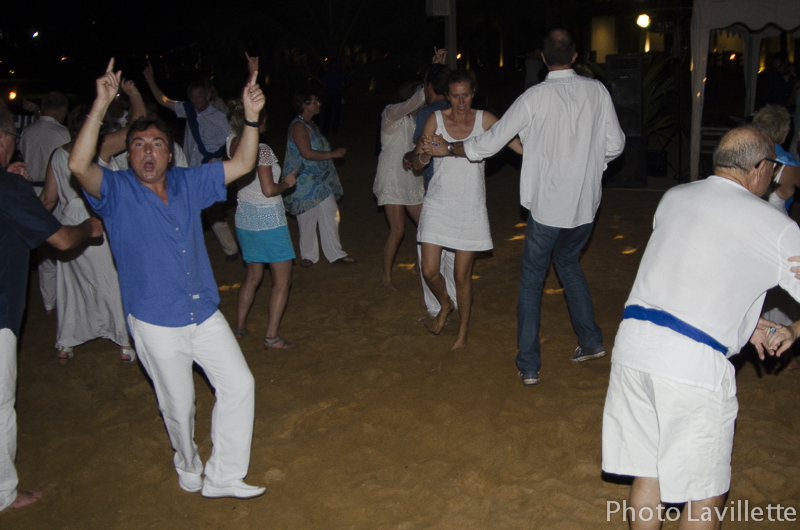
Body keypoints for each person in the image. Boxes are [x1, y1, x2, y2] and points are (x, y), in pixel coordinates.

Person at [69, 58, 266, 499]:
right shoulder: (117, 191)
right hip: (156, 320)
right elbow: (79, 166)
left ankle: (224, 476)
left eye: (156, 144)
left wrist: (252, 118)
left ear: (169, 154)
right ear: (129, 154)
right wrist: (101, 104)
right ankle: (188, 462)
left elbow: (242, 162)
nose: (148, 153)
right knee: (179, 407)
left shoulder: (187, 182)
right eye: (138, 145)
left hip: (203, 311)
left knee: (240, 384)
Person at [601, 126, 800, 530]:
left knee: (650, 471)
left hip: (634, 348)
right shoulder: (778, 226)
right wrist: (794, 330)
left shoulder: (674, 197)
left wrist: (746, 324)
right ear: (760, 169)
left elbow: (695, 269)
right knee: (705, 492)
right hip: (691, 366)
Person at [425, 29, 624, 382]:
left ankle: (529, 365)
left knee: (532, 279)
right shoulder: (597, 92)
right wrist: (588, 166)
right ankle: (591, 341)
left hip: (548, 207)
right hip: (584, 206)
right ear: (575, 56)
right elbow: (616, 145)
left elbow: (489, 143)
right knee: (569, 264)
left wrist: (451, 148)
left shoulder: (534, 97)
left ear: (543, 59)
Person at [0, 108, 104, 512]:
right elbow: (60, 240)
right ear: (4, 139)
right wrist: (89, 228)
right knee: (1, 407)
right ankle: (4, 492)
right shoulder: (8, 188)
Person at [39, 77, 145, 362]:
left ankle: (66, 343)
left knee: (73, 287)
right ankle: (124, 342)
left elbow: (48, 199)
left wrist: (35, 227)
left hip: (67, 224)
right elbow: (137, 126)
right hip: (95, 219)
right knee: (111, 280)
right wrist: (134, 94)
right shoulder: (101, 147)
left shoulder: (58, 155)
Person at [416, 69, 523, 350]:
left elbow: (517, 145)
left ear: (473, 94)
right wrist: (426, 153)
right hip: (438, 203)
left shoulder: (485, 120)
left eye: (466, 95)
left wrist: (547, 152)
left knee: (461, 275)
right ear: (447, 96)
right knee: (429, 270)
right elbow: (416, 161)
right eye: (455, 96)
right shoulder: (435, 119)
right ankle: (445, 303)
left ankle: (463, 330)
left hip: (470, 206)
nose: (461, 102)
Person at [143, 60, 240, 261]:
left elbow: (234, 140)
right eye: (193, 96)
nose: (196, 99)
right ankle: (186, 250)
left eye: (199, 95)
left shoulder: (220, 117)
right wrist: (151, 81)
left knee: (212, 209)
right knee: (187, 209)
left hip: (210, 167)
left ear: (208, 95)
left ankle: (230, 250)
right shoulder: (188, 110)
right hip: (190, 168)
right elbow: (163, 100)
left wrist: (226, 162)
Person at [226, 96, 298, 349]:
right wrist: (286, 183)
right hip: (269, 221)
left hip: (244, 218)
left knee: (252, 275)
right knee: (282, 281)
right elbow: (268, 189)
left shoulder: (232, 142)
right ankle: (271, 336)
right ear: (260, 120)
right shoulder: (261, 149)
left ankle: (240, 327)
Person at [401, 49, 459, 320]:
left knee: (429, 248)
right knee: (453, 249)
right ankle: (456, 300)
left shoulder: (428, 114)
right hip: (460, 187)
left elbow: (419, 153)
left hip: (437, 189)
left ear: (429, 87)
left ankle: (437, 306)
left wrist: (409, 156)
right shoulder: (458, 111)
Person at [283, 90, 354, 267]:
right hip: (303, 181)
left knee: (331, 213)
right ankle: (308, 255)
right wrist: (333, 154)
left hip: (319, 180)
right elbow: (307, 153)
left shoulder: (309, 124)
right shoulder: (298, 126)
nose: (318, 104)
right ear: (304, 105)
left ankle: (335, 253)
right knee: (307, 218)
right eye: (314, 101)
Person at [19, 91, 71, 315]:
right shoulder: (63, 133)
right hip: (56, 191)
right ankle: (65, 299)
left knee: (44, 250)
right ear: (63, 110)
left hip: (32, 192)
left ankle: (49, 302)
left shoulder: (27, 131)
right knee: (63, 245)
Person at [373, 82, 426, 290]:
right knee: (398, 230)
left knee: (425, 225)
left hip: (410, 177)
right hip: (391, 177)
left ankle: (419, 266)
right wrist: (434, 76)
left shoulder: (415, 121)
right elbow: (416, 100)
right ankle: (386, 278)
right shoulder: (390, 113)